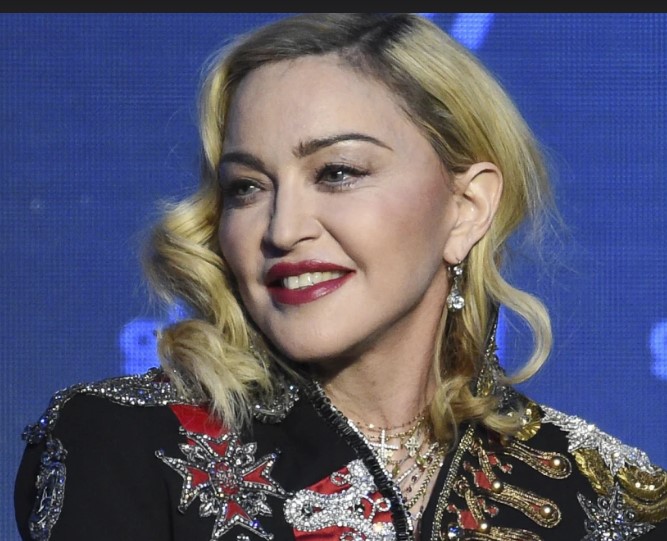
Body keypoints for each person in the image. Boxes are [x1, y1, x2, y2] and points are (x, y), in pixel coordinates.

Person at [14, 12, 667, 541]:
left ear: (465, 208)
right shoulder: (124, 443)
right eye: (247, 186)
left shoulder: (605, 495)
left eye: (337, 173)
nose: (282, 228)